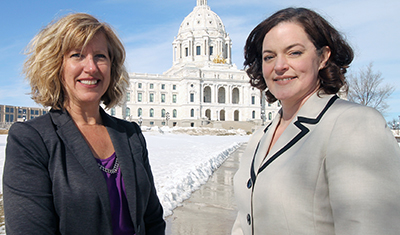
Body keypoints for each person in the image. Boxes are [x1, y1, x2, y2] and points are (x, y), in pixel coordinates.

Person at [232, 7, 400, 235]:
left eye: (294, 53)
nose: (279, 66)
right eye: (269, 57)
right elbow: (245, 220)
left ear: (323, 57)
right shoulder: (261, 136)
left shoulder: (355, 125)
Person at [3, 13, 165, 235]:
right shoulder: (31, 140)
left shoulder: (130, 135)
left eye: (100, 56)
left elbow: (153, 219)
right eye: (77, 55)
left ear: (111, 66)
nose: (91, 67)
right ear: (56, 65)